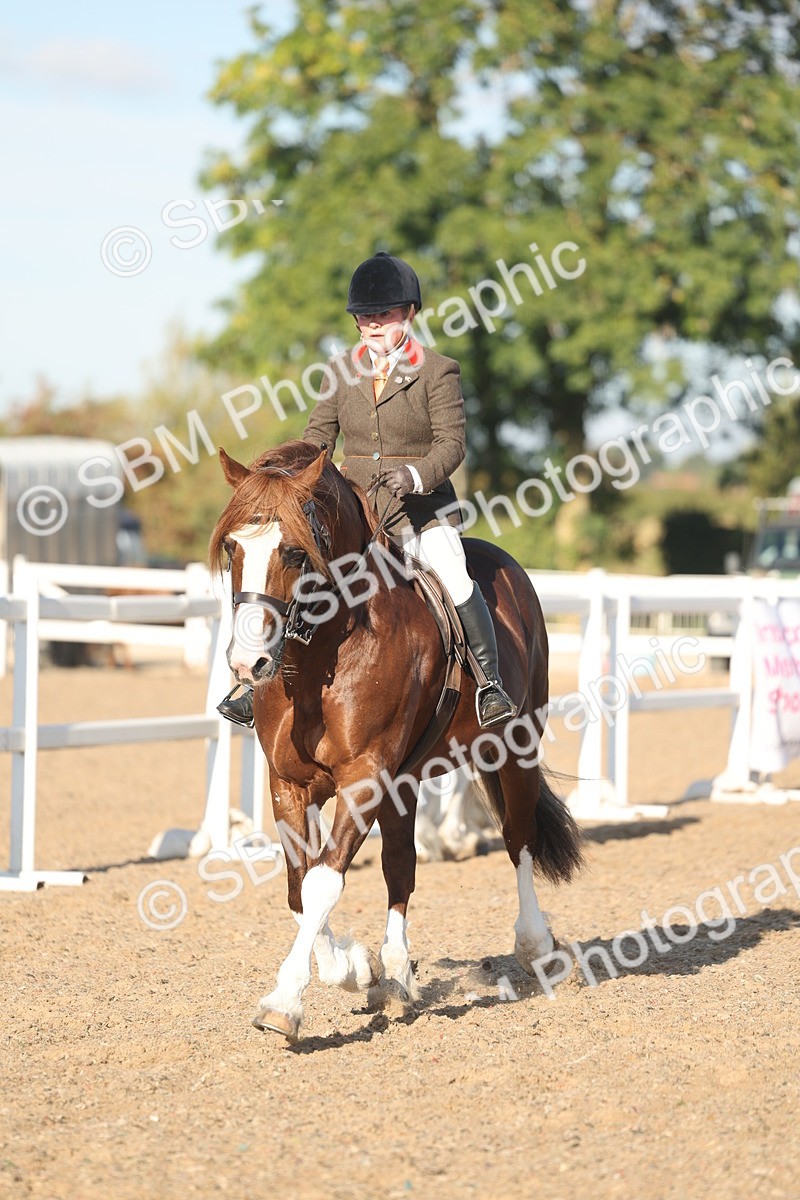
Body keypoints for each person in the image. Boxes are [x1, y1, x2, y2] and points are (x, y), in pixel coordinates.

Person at [218, 251, 516, 730]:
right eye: (366, 317)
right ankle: (255, 685)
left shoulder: (438, 371)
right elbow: (317, 439)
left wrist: (416, 477)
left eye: (385, 315)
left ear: (409, 314)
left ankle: (489, 683)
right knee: (291, 579)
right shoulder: (339, 371)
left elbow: (452, 443)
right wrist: (287, 480)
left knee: (454, 574)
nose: (374, 325)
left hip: (418, 512)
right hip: (353, 511)